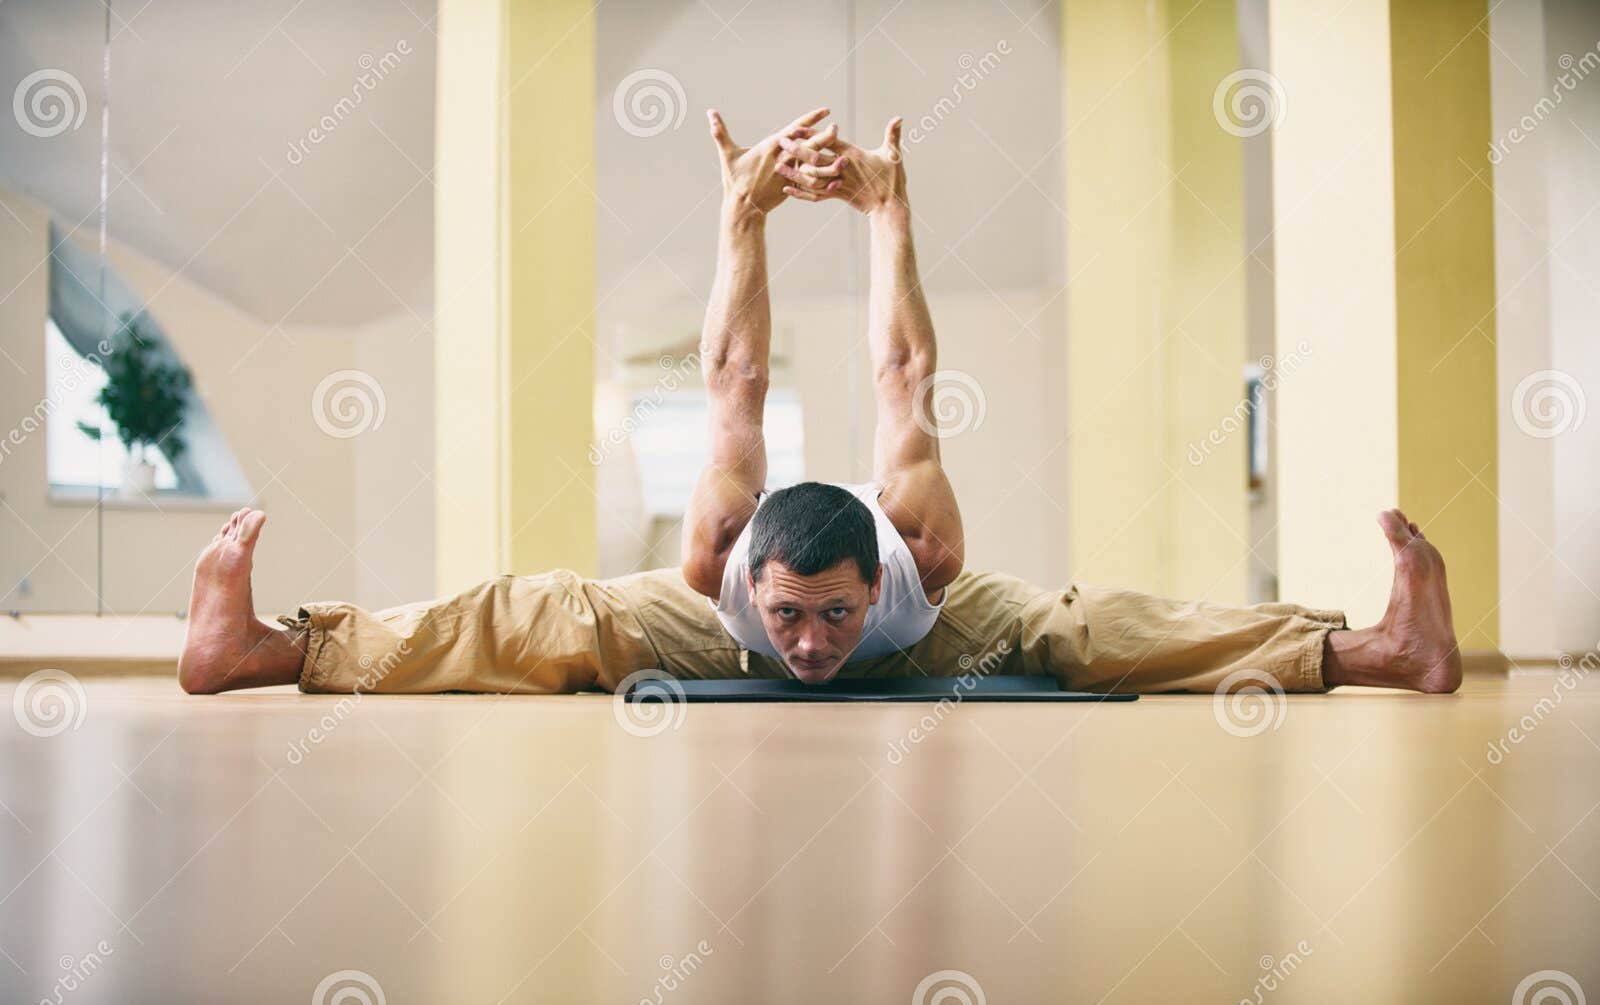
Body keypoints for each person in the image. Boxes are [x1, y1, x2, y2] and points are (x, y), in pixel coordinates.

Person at [176, 109, 1462, 698]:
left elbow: (904, 369)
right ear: (750, 578)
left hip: (941, 641)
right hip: (697, 646)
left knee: (1089, 626)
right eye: (793, 617)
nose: (807, 648)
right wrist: (740, 212)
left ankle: (1366, 652)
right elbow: (730, 375)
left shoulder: (927, 552)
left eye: (831, 616)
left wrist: (890, 209)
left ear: (881, 578)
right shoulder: (716, 563)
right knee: (539, 608)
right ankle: (273, 652)